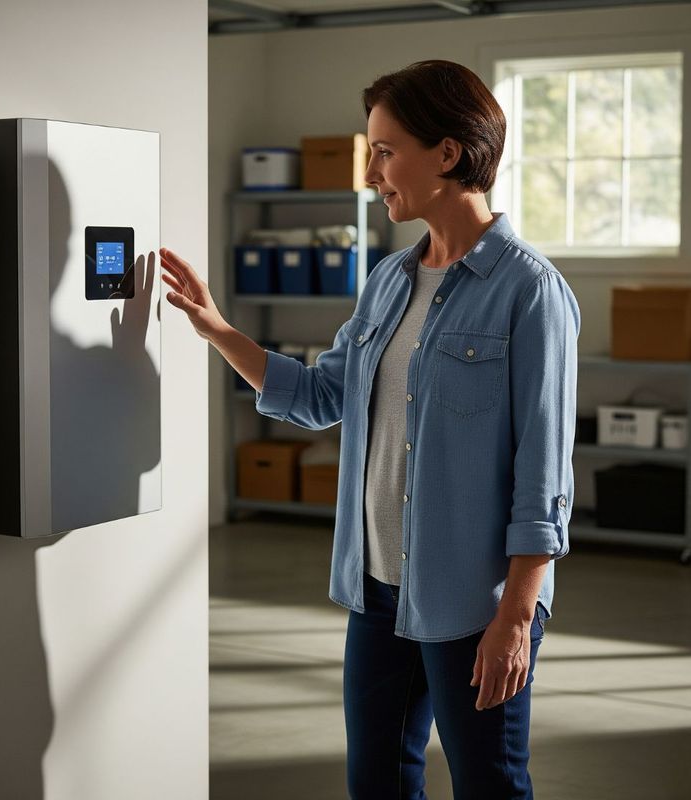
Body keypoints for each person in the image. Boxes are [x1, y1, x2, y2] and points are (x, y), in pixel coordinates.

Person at [160, 59, 580, 800]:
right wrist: (217, 328)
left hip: (475, 603)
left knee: (490, 784)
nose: (370, 173)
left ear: (447, 153)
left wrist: (516, 615)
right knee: (376, 782)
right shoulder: (388, 280)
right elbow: (323, 396)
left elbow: (542, 474)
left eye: (384, 152)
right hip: (380, 591)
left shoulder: (530, 290)